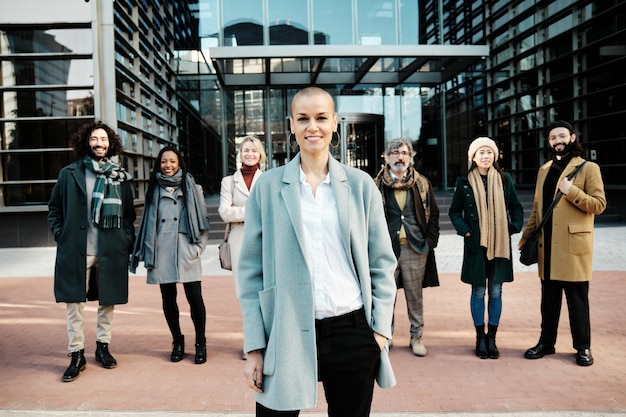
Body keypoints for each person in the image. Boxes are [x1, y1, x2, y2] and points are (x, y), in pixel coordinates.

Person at [238, 86, 397, 417]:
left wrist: (379, 332)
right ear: (291, 125)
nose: (313, 127)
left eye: (321, 117)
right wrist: (255, 345)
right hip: (286, 329)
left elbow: (382, 263)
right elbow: (250, 273)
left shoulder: (360, 185)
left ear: (335, 123)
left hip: (351, 329)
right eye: (304, 118)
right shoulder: (267, 188)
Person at [48, 121, 135, 382]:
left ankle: (103, 347)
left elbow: (129, 214)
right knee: (74, 304)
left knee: (107, 301)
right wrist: (61, 236)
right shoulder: (69, 173)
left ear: (111, 144)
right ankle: (76, 353)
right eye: (95, 139)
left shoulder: (119, 175)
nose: (99, 143)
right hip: (77, 249)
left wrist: (125, 238)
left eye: (104, 139)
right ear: (86, 141)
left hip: (110, 249)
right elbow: (54, 209)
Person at [519, 121, 606, 366]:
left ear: (572, 137)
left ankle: (583, 347)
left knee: (577, 302)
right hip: (547, 247)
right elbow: (538, 209)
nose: (557, 140)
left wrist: (572, 192)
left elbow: (599, 205)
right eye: (553, 137)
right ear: (548, 142)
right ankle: (546, 343)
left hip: (573, 247)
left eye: (562, 136)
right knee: (548, 302)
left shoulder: (588, 168)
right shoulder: (544, 169)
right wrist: (526, 237)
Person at [130, 146, 210, 364]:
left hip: (186, 249)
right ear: (159, 164)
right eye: (164, 162)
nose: (168, 166)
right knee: (168, 299)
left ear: (179, 163)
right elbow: (148, 223)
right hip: (162, 251)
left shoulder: (193, 187)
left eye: (172, 162)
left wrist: (198, 249)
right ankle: (177, 341)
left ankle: (200, 343)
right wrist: (149, 252)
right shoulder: (153, 189)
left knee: (195, 299)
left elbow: (203, 222)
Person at [448, 137, 524, 359]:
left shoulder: (504, 178)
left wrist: (513, 227)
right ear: (473, 157)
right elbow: (454, 211)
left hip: (499, 244)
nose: (485, 156)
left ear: (495, 156)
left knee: (496, 292)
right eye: (481, 152)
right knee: (478, 291)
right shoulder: (464, 181)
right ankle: (480, 337)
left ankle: (492, 338)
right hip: (476, 244)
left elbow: (516, 207)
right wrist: (466, 230)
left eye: (489, 152)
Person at [373, 138, 440, 357]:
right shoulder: (377, 184)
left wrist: (430, 242)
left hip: (414, 248)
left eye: (404, 153)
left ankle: (416, 337)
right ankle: (386, 336)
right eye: (394, 152)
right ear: (386, 156)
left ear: (411, 157)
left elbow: (434, 215)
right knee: (385, 296)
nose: (399, 157)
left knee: (414, 296)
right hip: (386, 249)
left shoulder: (421, 183)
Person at [218, 136, 266, 360]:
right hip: (238, 241)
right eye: (246, 150)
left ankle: (265, 340)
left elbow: (272, 211)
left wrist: (241, 210)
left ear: (260, 154)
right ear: (240, 153)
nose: (249, 154)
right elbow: (224, 212)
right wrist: (253, 211)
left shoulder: (267, 179)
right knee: (245, 293)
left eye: (253, 151)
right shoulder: (229, 181)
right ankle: (252, 344)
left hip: (264, 240)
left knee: (265, 291)